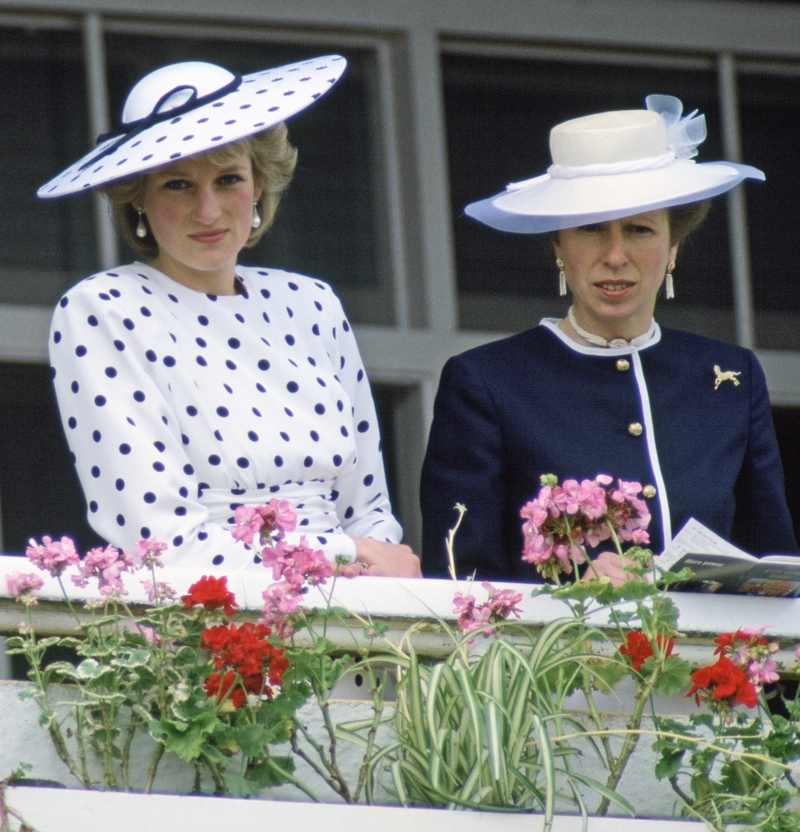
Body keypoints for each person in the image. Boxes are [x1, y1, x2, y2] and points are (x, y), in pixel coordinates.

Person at [39, 56, 420, 577]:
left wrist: (366, 581)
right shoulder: (103, 309)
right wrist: (342, 557)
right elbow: (160, 539)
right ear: (138, 200)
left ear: (260, 185)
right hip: (211, 623)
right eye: (177, 184)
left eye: (228, 179)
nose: (208, 210)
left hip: (349, 619)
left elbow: (368, 511)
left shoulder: (313, 302)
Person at [421, 95, 797, 582]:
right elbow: (456, 578)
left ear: (672, 246)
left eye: (640, 230)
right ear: (558, 243)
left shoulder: (729, 377)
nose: (615, 255)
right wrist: (573, 599)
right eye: (591, 229)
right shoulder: (487, 382)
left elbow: (775, 568)